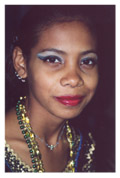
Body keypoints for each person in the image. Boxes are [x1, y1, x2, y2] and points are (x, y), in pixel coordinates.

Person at [5, 5, 99, 172]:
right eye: (53, 59)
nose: (74, 79)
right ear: (21, 63)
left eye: (87, 61)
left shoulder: (84, 144)